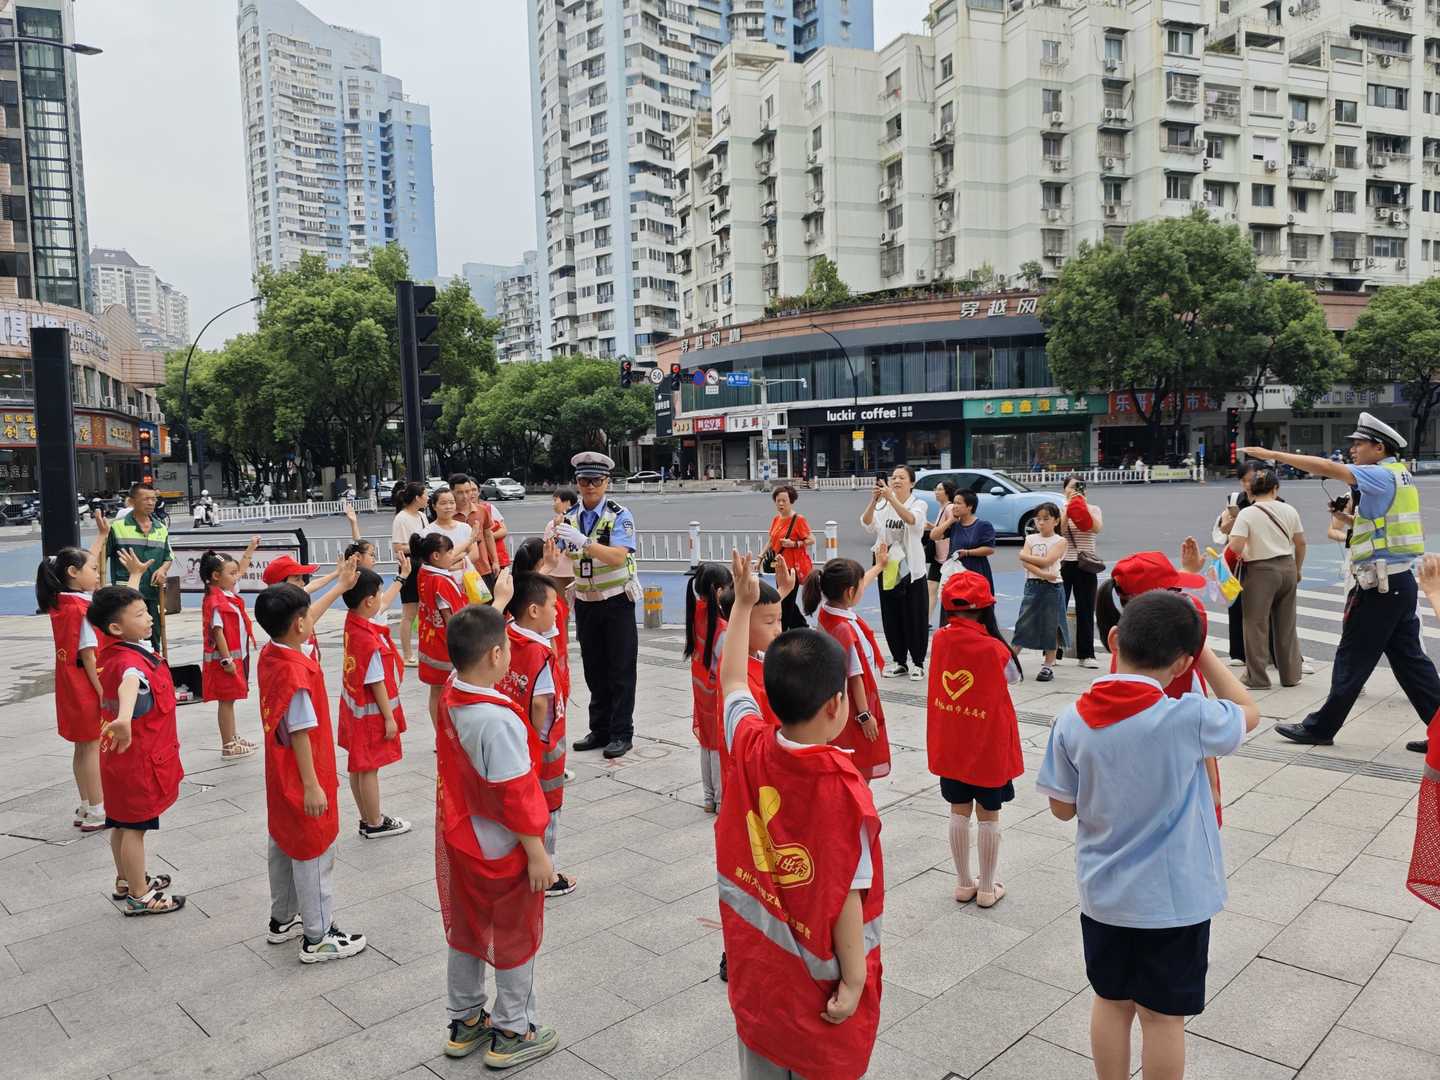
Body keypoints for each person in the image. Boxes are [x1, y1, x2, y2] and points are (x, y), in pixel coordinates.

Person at [1037, 592, 1259, 1080]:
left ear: (1114, 638)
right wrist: (1202, 653)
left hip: (1104, 896)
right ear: (1182, 662)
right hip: (1174, 902)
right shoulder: (1189, 718)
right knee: (1163, 1017)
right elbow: (1247, 709)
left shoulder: (1071, 719)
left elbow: (1060, 807)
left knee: (1111, 1002)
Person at [717, 552, 884, 1080]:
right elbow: (845, 897)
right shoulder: (841, 790)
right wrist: (854, 980)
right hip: (817, 980)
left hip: (758, 970)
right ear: (837, 705)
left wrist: (743, 607)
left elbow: (731, 684)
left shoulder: (748, 744)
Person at [1246, 416, 1440, 751]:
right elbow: (1382, 525)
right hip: (1397, 582)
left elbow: (1325, 466)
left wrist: (1273, 455)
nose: (1352, 449)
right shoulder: (1398, 473)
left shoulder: (1377, 474)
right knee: (1411, 662)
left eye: (1359, 444)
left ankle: (1321, 727)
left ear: (1379, 448)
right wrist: (1350, 519)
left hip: (1378, 588)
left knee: (1353, 658)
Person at [434, 603, 560, 1069]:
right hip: (503, 844)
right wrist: (537, 853)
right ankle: (513, 1028)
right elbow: (516, 794)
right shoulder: (498, 721)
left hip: (463, 835)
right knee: (513, 935)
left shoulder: (452, 693)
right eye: (505, 648)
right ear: (494, 655)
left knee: (467, 930)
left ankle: (465, 1018)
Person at [254, 567, 369, 962]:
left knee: (284, 845)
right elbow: (301, 731)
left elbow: (303, 619)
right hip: (303, 773)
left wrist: (340, 586)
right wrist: (312, 785)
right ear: (299, 624)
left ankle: (282, 919)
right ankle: (317, 935)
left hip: (279, 773)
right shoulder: (295, 673)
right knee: (313, 851)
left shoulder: (272, 654)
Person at [1098, 546, 1226, 825]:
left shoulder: (1127, 648)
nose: (1184, 597)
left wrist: (1187, 573)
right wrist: (1213, 785)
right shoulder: (1176, 652)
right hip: (1182, 768)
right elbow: (1208, 728)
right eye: (1176, 592)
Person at [87, 585, 187, 915]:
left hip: (122, 759)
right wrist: (125, 718)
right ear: (116, 628)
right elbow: (132, 682)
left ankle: (126, 879)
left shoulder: (119, 650)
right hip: (137, 761)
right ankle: (140, 896)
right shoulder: (128, 661)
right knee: (135, 829)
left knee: (120, 822)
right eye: (141, 614)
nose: (149, 618)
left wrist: (134, 578)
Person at [36, 515, 139, 833]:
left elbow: (83, 566)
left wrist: (102, 536)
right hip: (86, 686)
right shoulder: (82, 611)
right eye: (92, 570)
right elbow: (89, 656)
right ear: (72, 573)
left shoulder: (61, 603)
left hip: (70, 686)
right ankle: (97, 808)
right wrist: (104, 693)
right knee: (93, 747)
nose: (97, 573)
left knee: (83, 747)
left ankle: (86, 803)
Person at [927, 571, 1023, 909]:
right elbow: (1012, 679)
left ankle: (963, 883)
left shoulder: (938, 639)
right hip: (987, 744)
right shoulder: (996, 649)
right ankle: (986, 887)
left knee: (957, 809)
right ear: (985, 609)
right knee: (989, 812)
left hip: (952, 740)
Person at [554, 451, 640, 759]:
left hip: (616, 600)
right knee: (594, 668)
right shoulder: (571, 517)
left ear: (607, 482)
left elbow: (619, 555)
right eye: (583, 480)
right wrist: (554, 544)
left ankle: (621, 732)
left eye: (596, 480)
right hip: (586, 603)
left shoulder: (619, 515)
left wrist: (584, 541)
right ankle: (600, 728)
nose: (590, 486)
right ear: (576, 483)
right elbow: (561, 558)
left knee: (620, 668)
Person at [498, 572, 575, 897]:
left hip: (514, 739)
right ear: (533, 610)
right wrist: (538, 738)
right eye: (553, 607)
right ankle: (547, 871)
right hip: (542, 746)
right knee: (546, 808)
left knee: (519, 804)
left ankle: (520, 860)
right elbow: (541, 703)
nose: (557, 612)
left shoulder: (506, 636)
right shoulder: (538, 651)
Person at [801, 554, 893, 781]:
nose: (864, 588)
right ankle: (856, 812)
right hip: (852, 709)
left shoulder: (828, 610)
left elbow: (860, 583)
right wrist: (864, 715)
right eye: (860, 586)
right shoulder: (844, 630)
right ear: (850, 593)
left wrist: (879, 567)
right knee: (860, 763)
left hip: (838, 701)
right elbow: (855, 676)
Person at [339, 565, 412, 839]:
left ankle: (366, 817)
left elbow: (379, 608)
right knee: (369, 768)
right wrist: (389, 718)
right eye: (379, 595)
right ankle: (375, 821)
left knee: (359, 766)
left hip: (354, 711)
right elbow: (376, 681)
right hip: (370, 715)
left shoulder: (354, 622)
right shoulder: (368, 640)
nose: (382, 600)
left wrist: (400, 579)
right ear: (369, 601)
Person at [1226, 468, 1306, 691]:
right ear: (1275, 488)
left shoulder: (1248, 513)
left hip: (1260, 570)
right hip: (1288, 567)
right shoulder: (1289, 509)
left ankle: (1258, 677)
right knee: (1286, 624)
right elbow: (1301, 543)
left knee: (1255, 624)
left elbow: (1235, 546)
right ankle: (1290, 675)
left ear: (1251, 490)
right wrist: (1297, 569)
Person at [862, 465, 929, 680]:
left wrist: (892, 499)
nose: (896, 480)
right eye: (893, 477)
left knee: (914, 615)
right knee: (891, 615)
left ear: (912, 482)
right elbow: (866, 523)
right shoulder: (883, 504)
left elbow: (911, 520)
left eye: (901, 477)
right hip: (887, 566)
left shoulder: (919, 504)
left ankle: (917, 662)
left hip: (911, 569)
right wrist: (875, 500)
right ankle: (899, 660)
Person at [200, 539, 262, 760]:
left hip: (237, 657)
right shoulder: (215, 600)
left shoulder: (226, 593)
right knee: (226, 701)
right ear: (217, 576)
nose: (237, 576)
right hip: (226, 662)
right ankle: (228, 745)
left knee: (231, 699)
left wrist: (250, 550)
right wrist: (227, 661)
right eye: (232, 573)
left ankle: (233, 737)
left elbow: (241, 569)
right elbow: (218, 633)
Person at [685, 562, 732, 813]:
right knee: (717, 745)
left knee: (706, 742)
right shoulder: (721, 627)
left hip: (700, 687)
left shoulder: (696, 612)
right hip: (715, 691)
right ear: (718, 591)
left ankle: (708, 797)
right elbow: (726, 661)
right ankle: (722, 799)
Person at [105, 481, 173, 651]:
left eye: (153, 499)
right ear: (132, 501)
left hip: (152, 592)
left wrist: (163, 569)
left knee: (153, 635)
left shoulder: (161, 528)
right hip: (125, 594)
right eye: (146, 499)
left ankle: (156, 670)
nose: (151, 503)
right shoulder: (117, 528)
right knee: (129, 638)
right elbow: (100, 558)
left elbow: (168, 556)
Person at [414, 531, 466, 732]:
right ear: (436, 556)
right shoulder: (441, 582)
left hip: (429, 643)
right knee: (451, 692)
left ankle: (439, 733)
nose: (453, 555)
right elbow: (450, 618)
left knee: (435, 691)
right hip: (445, 647)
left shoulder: (424, 573)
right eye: (450, 552)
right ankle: (449, 734)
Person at [1011, 502, 1069, 682]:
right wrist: (1043, 573)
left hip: (1053, 587)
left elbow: (1047, 560)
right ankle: (1009, 662)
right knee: (1023, 623)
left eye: (1046, 519)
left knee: (1051, 626)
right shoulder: (1030, 538)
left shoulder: (1060, 541)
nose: (1041, 522)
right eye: (1038, 519)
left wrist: (1025, 556)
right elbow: (1027, 563)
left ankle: (1047, 666)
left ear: (1056, 521)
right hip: (1033, 585)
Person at [1059, 477, 1103, 668]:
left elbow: (1096, 528)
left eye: (1079, 486)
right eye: (1072, 487)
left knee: (1085, 609)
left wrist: (1082, 507)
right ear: (1064, 490)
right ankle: (1053, 652)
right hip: (1064, 563)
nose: (1076, 490)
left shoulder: (1093, 509)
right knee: (1057, 608)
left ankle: (1086, 654)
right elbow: (1059, 533)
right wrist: (1068, 510)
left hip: (1086, 565)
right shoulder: (1061, 509)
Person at [390, 480, 428, 666]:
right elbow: (398, 547)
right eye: (425, 495)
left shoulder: (422, 516)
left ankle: (423, 650)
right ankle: (407, 654)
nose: (427, 498)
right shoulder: (401, 518)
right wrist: (418, 548)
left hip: (424, 565)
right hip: (409, 567)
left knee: (424, 610)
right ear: (416, 498)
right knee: (409, 612)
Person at [768, 484, 814, 631]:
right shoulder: (776, 519)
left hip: (792, 569)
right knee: (786, 599)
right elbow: (771, 540)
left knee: (785, 602)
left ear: (791, 501)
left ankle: (783, 631)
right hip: (780, 567)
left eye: (784, 501)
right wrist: (761, 556)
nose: (780, 503)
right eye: (778, 500)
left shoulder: (798, 519)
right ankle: (801, 627)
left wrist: (794, 544)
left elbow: (811, 539)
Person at [932, 488, 997, 591]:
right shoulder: (954, 525)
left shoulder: (983, 525)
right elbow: (934, 536)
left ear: (969, 507)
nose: (955, 506)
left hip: (976, 572)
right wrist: (950, 521)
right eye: (954, 503)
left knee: (975, 603)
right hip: (954, 573)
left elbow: (989, 549)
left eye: (959, 503)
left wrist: (967, 552)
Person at [451, 474, 498, 585]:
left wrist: (495, 561)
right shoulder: (447, 514)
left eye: (468, 491)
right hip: (456, 570)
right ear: (451, 492)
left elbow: (488, 535)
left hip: (482, 569)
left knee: (485, 602)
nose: (465, 496)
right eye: (460, 492)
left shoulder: (482, 510)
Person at [923, 480, 955, 622]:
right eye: (936, 488)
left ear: (947, 492)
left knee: (946, 590)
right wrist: (932, 526)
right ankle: (926, 621)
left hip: (947, 557)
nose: (936, 491)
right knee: (931, 587)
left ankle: (949, 620)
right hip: (939, 556)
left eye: (939, 489)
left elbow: (951, 528)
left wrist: (937, 531)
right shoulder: (943, 508)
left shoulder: (950, 508)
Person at [541, 487, 578, 604]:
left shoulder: (578, 522)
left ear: (567, 502)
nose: (554, 504)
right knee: (562, 609)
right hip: (557, 573)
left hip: (573, 572)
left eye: (556, 500)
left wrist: (558, 528)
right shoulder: (551, 524)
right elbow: (549, 547)